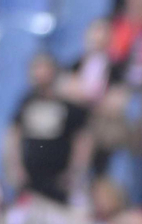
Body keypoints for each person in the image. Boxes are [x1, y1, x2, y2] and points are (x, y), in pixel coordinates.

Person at [6, 54, 92, 204]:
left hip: (59, 180)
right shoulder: (26, 103)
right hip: (29, 178)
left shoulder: (68, 105)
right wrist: (15, 167)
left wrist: (75, 171)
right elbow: (13, 135)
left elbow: (82, 139)